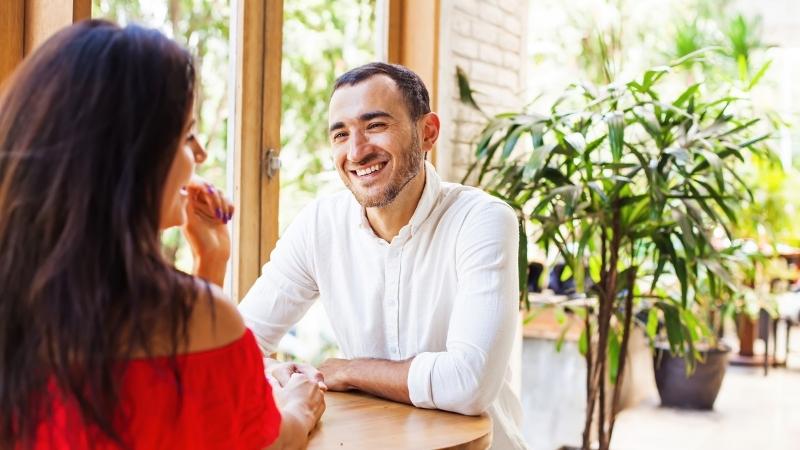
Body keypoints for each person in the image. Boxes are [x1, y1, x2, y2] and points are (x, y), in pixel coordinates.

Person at [0, 20, 323, 450]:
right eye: (188, 134)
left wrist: (209, 267)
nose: (202, 155)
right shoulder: (204, 320)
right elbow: (267, 440)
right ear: (133, 157)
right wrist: (299, 405)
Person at [240, 62, 528, 449]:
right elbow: (238, 348)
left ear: (427, 133)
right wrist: (282, 372)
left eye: (375, 126)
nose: (356, 152)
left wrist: (351, 370)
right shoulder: (318, 225)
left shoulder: (482, 220)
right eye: (341, 134)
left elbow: (469, 383)